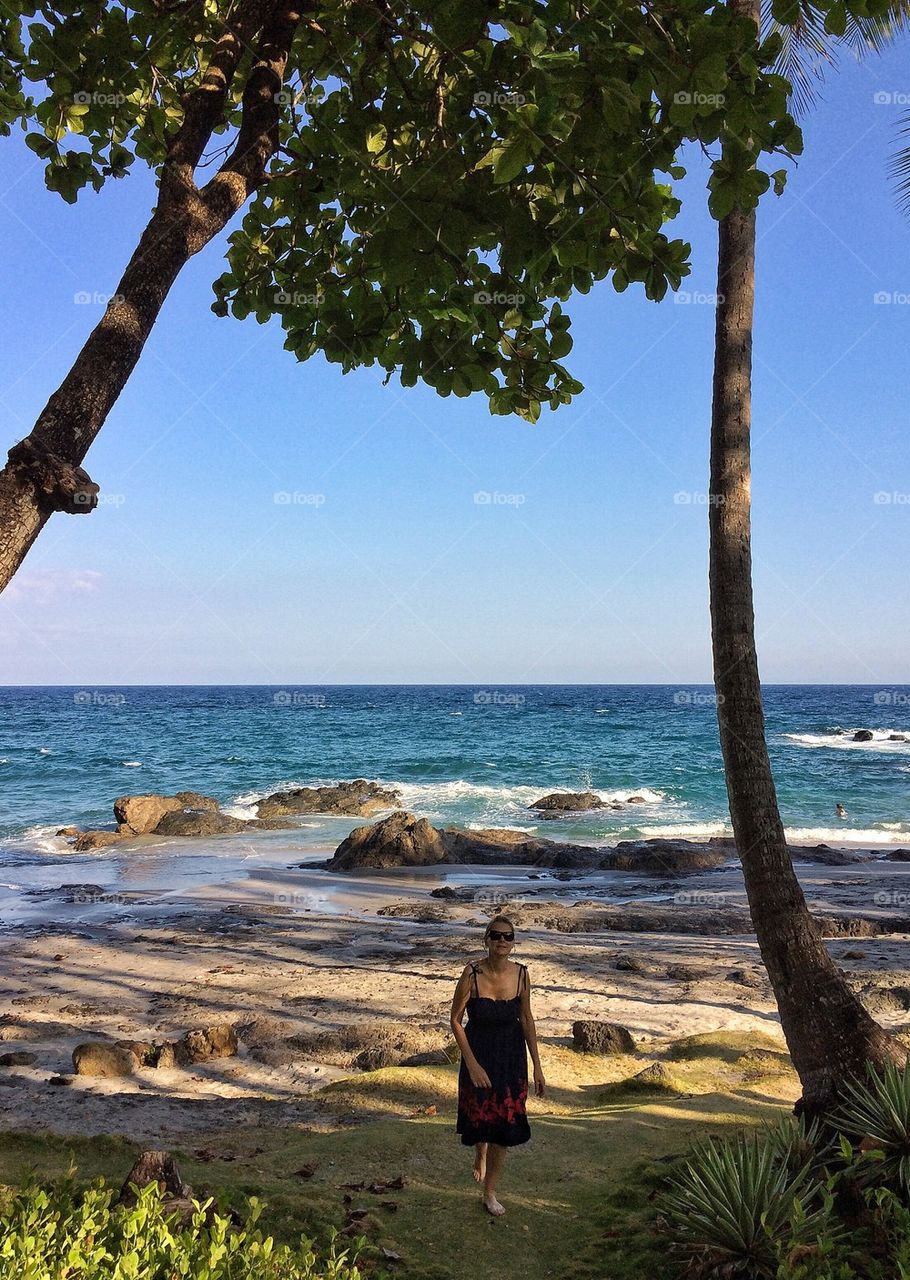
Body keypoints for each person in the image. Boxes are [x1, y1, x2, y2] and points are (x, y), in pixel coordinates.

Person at [449, 914, 545, 1216]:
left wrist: (537, 1067)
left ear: (513, 943)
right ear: (486, 939)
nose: (502, 941)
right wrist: (472, 1064)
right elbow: (455, 1020)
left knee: (504, 1127)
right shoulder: (472, 974)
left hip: (510, 1057)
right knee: (481, 1123)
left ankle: (489, 1192)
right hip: (479, 1055)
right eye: (496, 936)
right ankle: (480, 1153)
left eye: (508, 937)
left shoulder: (522, 975)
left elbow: (527, 1019)